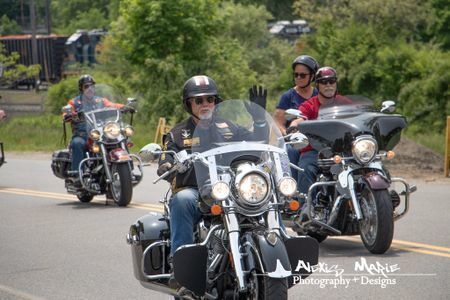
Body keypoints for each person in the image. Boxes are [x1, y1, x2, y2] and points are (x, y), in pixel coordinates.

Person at [157, 75, 268, 260]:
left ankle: (275, 249)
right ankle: (182, 265)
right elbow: (166, 155)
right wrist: (166, 164)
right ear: (189, 104)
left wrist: (260, 121)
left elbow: (257, 146)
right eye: (199, 100)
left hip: (229, 188)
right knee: (182, 200)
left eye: (210, 99)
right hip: (195, 190)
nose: (205, 104)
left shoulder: (229, 127)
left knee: (263, 197)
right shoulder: (177, 133)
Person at [288, 66, 351, 199]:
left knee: (364, 164)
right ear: (317, 85)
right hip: (315, 150)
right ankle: (304, 208)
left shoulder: (344, 103)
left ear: (336, 83)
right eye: (323, 82)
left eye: (331, 81)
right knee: (305, 169)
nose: (328, 85)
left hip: (341, 150)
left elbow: (358, 114)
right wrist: (293, 127)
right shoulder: (310, 105)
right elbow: (300, 118)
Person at [63, 74, 125, 177]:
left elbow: (113, 105)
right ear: (81, 88)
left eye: (91, 86)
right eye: (86, 86)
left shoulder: (100, 100)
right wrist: (68, 115)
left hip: (100, 133)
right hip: (83, 135)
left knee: (119, 138)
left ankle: (126, 169)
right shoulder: (74, 102)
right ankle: (77, 175)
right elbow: (66, 113)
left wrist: (125, 107)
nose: (89, 89)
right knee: (77, 143)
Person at [274, 55, 319, 180]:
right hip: (295, 140)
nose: (298, 78)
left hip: (317, 139)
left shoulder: (318, 95)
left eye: (302, 75)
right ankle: (293, 190)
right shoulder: (288, 96)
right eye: (296, 75)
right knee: (291, 151)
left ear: (312, 76)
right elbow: (278, 121)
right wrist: (288, 134)